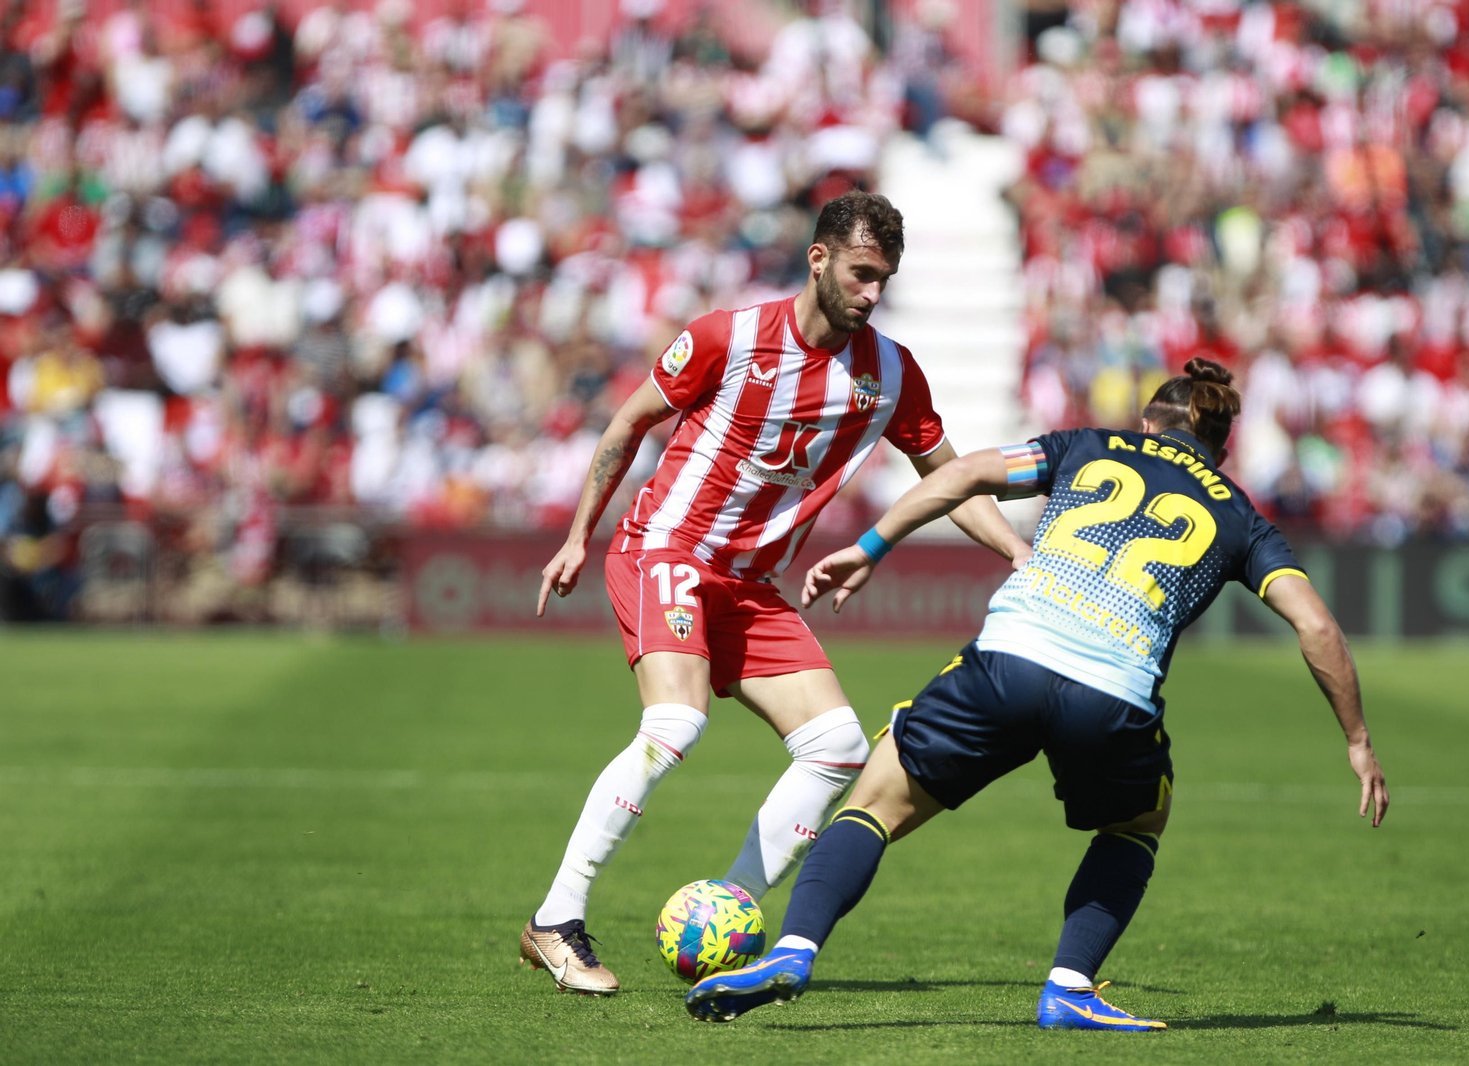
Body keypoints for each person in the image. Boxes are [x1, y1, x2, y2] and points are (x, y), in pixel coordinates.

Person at [685, 358, 1389, 1029]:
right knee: (1136, 824)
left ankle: (794, 951)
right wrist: (1357, 740)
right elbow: (1317, 626)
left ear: (1148, 425)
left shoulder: (1087, 445)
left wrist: (870, 549)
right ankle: (1070, 989)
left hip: (1007, 661)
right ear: (1219, 450)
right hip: (1111, 696)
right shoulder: (1239, 516)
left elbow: (961, 474)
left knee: (874, 801)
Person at [523, 191, 1030, 995]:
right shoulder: (730, 337)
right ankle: (556, 917)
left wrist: (1016, 550)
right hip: (671, 548)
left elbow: (952, 476)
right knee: (677, 718)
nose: (872, 293)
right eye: (862, 274)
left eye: (885, 280)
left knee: (838, 747)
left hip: (752, 586)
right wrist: (580, 533)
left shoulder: (891, 374)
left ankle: (724, 913)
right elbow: (627, 425)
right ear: (819, 259)